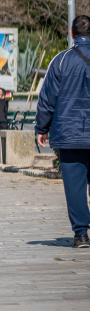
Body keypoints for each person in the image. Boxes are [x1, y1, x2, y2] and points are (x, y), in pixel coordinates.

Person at [35, 15, 90, 248]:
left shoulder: (60, 61)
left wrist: (41, 128)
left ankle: (81, 235)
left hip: (69, 135)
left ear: (71, 33)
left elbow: (47, 98)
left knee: (74, 185)